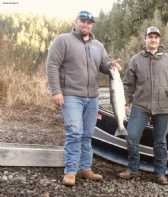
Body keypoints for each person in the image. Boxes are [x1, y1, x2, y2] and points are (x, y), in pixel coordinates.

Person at [46, 10, 120, 186]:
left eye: (89, 22)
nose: (86, 24)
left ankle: (85, 168)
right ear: (76, 21)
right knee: (75, 132)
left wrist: (111, 65)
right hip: (71, 96)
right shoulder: (63, 40)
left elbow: (104, 64)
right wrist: (56, 91)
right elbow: (52, 65)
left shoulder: (98, 46)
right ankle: (71, 171)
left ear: (92, 25)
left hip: (92, 97)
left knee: (87, 134)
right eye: (83, 21)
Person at [118, 26, 168, 185]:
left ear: (159, 40)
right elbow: (128, 84)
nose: (153, 39)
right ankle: (133, 169)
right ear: (145, 39)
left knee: (160, 141)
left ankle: (160, 173)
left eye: (156, 37)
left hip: (163, 107)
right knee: (132, 136)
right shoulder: (136, 59)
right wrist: (126, 102)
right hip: (140, 105)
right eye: (150, 37)